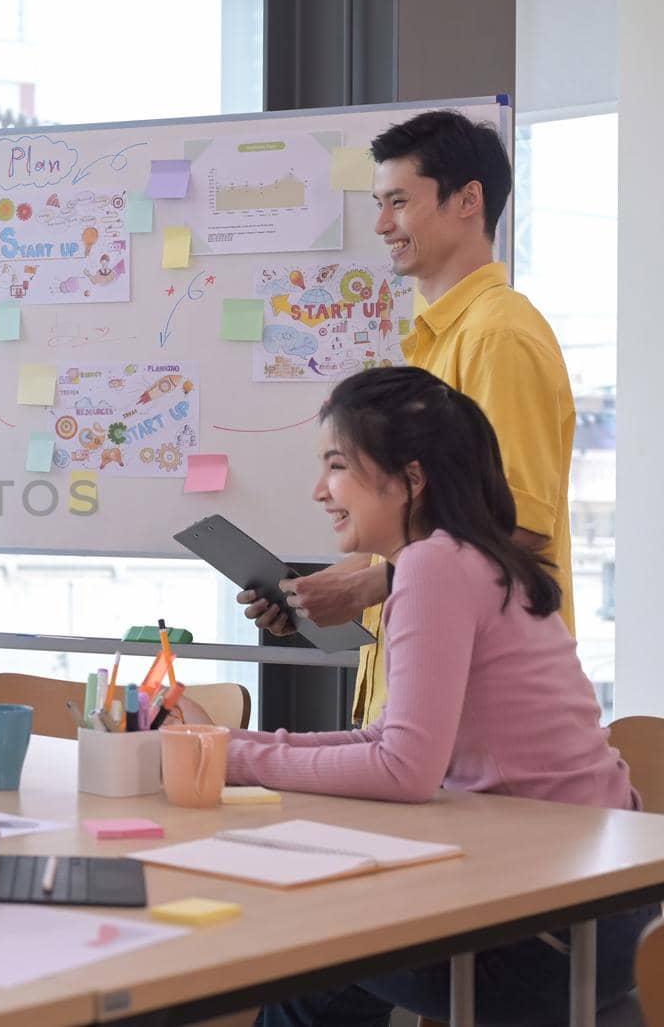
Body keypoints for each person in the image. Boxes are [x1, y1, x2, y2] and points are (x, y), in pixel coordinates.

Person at [227, 366, 652, 1026]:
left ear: (412, 478)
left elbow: (403, 767)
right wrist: (234, 748)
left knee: (300, 941)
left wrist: (239, 758)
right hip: (608, 912)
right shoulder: (476, 559)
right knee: (316, 975)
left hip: (557, 933)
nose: (319, 490)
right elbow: (393, 742)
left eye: (337, 466)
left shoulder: (434, 564)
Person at [241, 110, 576, 727]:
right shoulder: (437, 342)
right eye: (378, 202)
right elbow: (429, 535)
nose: (381, 224)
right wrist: (316, 593)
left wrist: (367, 588)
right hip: (420, 690)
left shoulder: (499, 338)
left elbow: (518, 529)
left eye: (399, 201)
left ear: (468, 200)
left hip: (483, 707)